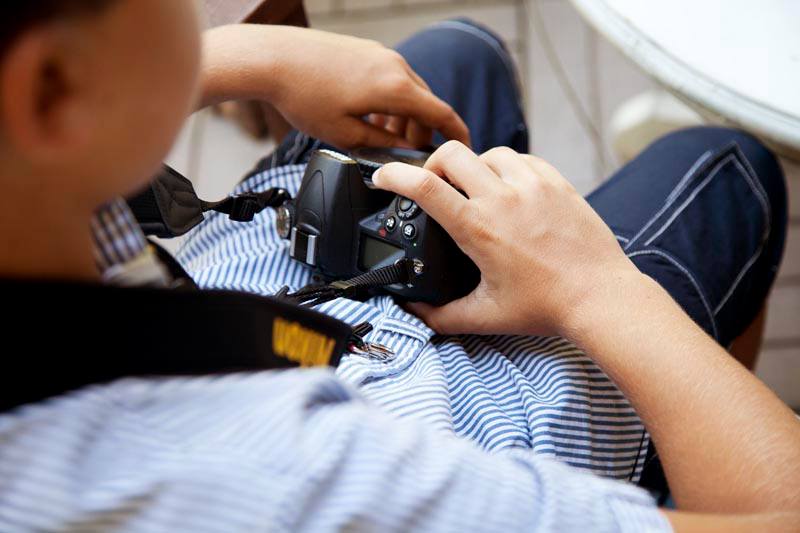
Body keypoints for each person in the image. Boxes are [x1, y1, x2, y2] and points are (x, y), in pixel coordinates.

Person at [0, 2, 798, 532]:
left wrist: (254, 57)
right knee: (727, 170)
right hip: (450, 440)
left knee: (458, 59)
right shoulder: (296, 485)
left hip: (256, 303)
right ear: (54, 89)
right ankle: (658, 470)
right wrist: (601, 288)